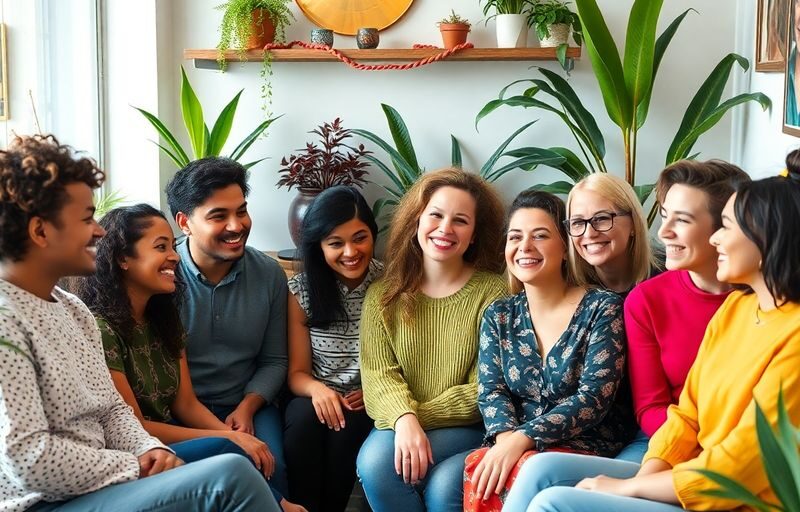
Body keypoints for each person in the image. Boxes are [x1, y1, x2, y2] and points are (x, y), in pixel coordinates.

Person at [503, 155, 800, 512]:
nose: (717, 238)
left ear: (769, 240)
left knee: (556, 503)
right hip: (693, 465)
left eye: (726, 226)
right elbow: (686, 415)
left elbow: (737, 471)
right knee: (541, 467)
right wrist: (648, 476)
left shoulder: (793, 337)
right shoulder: (737, 309)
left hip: (738, 498)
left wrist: (630, 489)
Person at [0, 134, 279, 512]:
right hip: (43, 502)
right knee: (230, 475)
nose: (99, 231)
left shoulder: (72, 309)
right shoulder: (6, 322)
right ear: (40, 231)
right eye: (86, 219)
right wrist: (136, 464)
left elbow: (114, 411)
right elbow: (30, 460)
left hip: (103, 481)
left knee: (232, 464)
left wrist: (148, 449)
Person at [74, 204, 305, 512]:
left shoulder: (164, 318)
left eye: (171, 245)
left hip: (171, 433)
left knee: (251, 452)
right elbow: (134, 425)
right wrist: (231, 439)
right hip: (137, 450)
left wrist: (235, 435)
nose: (174, 256)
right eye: (160, 247)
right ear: (122, 259)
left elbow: (186, 404)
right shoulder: (101, 329)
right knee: (232, 451)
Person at [462, 191, 635, 512]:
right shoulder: (499, 314)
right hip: (514, 442)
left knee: (519, 470)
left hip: (588, 442)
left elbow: (593, 398)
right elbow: (492, 391)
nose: (525, 246)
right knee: (482, 465)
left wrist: (522, 439)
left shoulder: (602, 307)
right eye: (516, 237)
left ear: (565, 248)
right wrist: (504, 441)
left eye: (540, 235)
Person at [356, 168, 507, 512]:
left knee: (391, 466)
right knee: (376, 464)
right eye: (435, 215)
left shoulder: (493, 293)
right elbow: (379, 377)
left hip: (468, 426)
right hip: (398, 422)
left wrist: (415, 418)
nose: (445, 228)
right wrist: (404, 420)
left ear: (474, 234)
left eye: (460, 220)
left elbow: (486, 386)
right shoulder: (383, 296)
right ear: (416, 222)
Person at [165, 156, 290, 496]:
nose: (236, 225)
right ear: (184, 222)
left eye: (242, 211)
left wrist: (247, 408)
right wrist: (218, 430)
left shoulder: (269, 274)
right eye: (219, 216)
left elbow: (275, 360)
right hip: (180, 412)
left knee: (271, 468)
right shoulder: (163, 278)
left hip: (247, 403)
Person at [284, 186, 382, 511]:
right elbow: (297, 373)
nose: (350, 252)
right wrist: (319, 391)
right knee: (301, 422)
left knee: (346, 430)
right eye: (335, 243)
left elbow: (408, 360)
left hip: (368, 399)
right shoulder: (302, 290)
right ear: (320, 246)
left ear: (373, 235)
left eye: (360, 238)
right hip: (316, 396)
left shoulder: (390, 284)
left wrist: (375, 393)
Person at [565, 173, 658, 298]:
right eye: (578, 222)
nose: (589, 233)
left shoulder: (671, 282)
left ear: (634, 223)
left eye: (602, 218)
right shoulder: (566, 289)